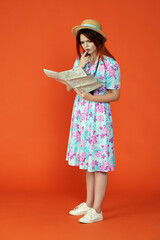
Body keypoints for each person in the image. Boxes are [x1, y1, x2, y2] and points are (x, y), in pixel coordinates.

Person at [65, 19, 121, 224]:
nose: (85, 46)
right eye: (82, 42)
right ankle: (88, 204)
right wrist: (79, 67)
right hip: (81, 114)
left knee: (100, 163)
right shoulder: (80, 59)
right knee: (88, 161)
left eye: (89, 41)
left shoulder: (110, 65)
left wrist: (92, 98)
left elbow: (115, 95)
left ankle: (97, 210)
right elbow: (69, 88)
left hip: (98, 114)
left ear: (98, 40)